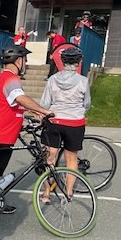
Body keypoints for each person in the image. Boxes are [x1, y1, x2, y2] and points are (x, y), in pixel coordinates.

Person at [0, 45, 53, 224]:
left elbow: (10, 105)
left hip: (2, 132)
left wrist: (30, 115)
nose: (25, 64)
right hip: (0, 134)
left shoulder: (2, 77)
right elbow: (18, 98)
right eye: (24, 60)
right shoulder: (10, 78)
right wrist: (43, 110)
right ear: (18, 60)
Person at [39, 47, 90, 201]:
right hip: (75, 123)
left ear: (62, 61)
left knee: (50, 158)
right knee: (71, 160)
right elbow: (87, 104)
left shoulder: (53, 79)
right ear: (78, 62)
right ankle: (68, 193)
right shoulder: (83, 81)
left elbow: (45, 103)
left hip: (55, 121)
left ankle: (47, 194)